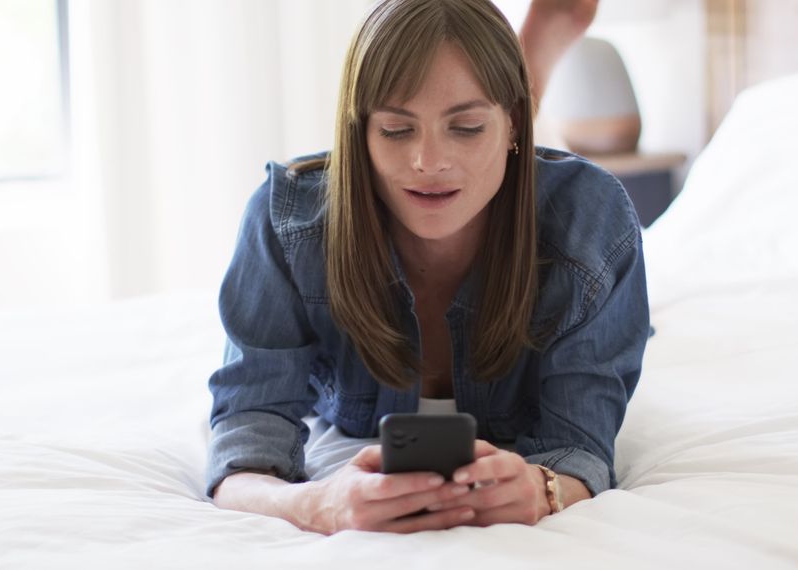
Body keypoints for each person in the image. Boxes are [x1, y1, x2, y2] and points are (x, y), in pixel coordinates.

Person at [206, 0, 649, 535]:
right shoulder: (288, 222)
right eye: (396, 130)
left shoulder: (591, 222)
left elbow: (580, 447)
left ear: (514, 124)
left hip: (551, 237)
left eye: (465, 127)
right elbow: (244, 441)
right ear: (360, 135)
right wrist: (317, 504)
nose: (428, 162)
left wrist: (541, 488)